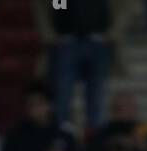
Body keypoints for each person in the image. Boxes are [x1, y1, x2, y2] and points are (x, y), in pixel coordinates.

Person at [34, 0, 113, 130]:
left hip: (98, 40)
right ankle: (62, 134)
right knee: (63, 95)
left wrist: (112, 33)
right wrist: (50, 34)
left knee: (96, 97)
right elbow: (45, 6)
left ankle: (94, 135)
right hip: (66, 40)